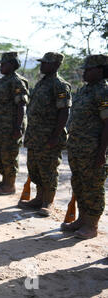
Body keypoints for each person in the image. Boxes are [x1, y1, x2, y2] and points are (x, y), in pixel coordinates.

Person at [19, 52, 72, 217]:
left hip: (49, 136)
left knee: (48, 168)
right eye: (42, 62)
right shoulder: (42, 83)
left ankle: (48, 202)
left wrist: (55, 136)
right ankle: (39, 197)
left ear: (55, 65)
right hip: (35, 135)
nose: (42, 65)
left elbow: (64, 112)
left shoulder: (60, 85)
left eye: (46, 63)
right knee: (34, 167)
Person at [61, 54, 107, 239]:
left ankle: (92, 225)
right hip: (77, 147)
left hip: (93, 149)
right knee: (78, 183)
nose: (84, 72)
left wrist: (102, 152)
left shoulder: (103, 91)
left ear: (100, 70)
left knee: (93, 187)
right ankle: (82, 218)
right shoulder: (86, 90)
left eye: (89, 69)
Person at [0, 52, 29, 195]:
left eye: (4, 64)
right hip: (0, 125)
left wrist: (18, 127)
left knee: (9, 156)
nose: (1, 66)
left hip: (11, 127)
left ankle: (10, 185)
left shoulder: (17, 81)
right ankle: (5, 180)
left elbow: (21, 105)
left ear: (12, 65)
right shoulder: (2, 81)